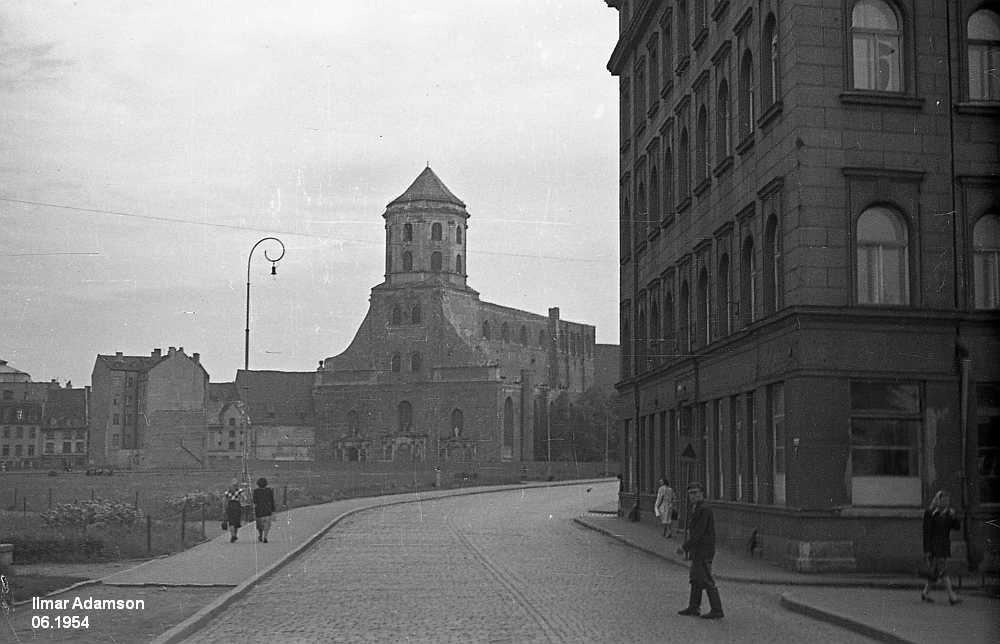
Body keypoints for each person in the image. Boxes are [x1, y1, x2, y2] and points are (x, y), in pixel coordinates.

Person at [676, 482, 724, 619]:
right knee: (696, 579)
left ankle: (717, 610)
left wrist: (684, 547)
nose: (693, 496)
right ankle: (693, 607)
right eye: (691, 493)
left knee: (706, 580)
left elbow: (699, 533)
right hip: (699, 550)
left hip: (704, 550)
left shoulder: (704, 509)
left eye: (696, 492)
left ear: (702, 493)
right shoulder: (698, 508)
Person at [921, 489, 962, 605]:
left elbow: (957, 527)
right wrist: (927, 550)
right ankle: (952, 596)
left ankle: (925, 593)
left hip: (944, 546)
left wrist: (954, 517)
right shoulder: (930, 513)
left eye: (947, 500)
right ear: (937, 500)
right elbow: (927, 533)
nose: (946, 502)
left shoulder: (949, 513)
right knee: (943, 570)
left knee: (934, 573)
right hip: (934, 547)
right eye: (943, 499)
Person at [253, 477, 277, 543]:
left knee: (260, 525)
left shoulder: (256, 491)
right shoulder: (269, 490)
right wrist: (273, 510)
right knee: (267, 524)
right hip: (267, 509)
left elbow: (254, 501)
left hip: (259, 510)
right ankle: (265, 537)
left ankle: (260, 535)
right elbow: (272, 501)